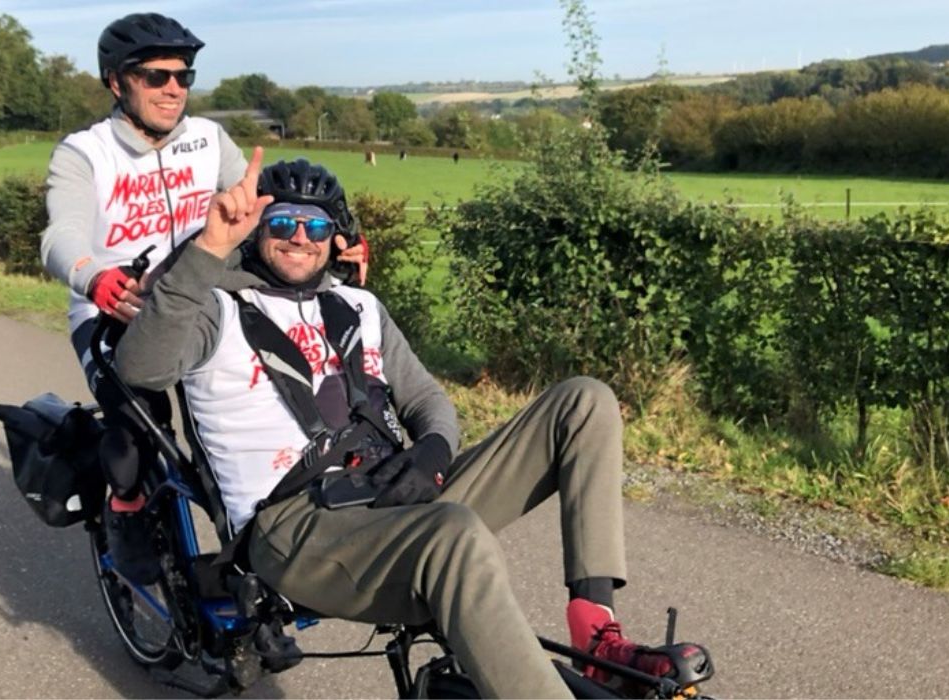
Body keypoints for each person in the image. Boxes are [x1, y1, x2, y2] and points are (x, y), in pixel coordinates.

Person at [112, 154, 708, 698]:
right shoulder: (212, 308)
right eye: (284, 222)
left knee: (583, 402)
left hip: (395, 490)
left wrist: (432, 454)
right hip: (297, 525)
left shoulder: (359, 307)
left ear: (335, 236)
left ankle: (596, 637)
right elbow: (140, 365)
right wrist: (211, 246)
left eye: (316, 226)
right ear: (256, 230)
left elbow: (426, 399)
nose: (300, 237)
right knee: (451, 532)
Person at [38, 13, 365, 585]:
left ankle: (257, 549)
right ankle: (127, 507)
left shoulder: (209, 140)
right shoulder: (84, 153)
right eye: (155, 76)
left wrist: (335, 237)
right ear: (117, 82)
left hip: (204, 301)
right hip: (115, 308)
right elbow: (60, 235)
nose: (173, 89)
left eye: (184, 76)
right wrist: (94, 277)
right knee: (140, 418)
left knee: (249, 421)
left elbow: (265, 205)